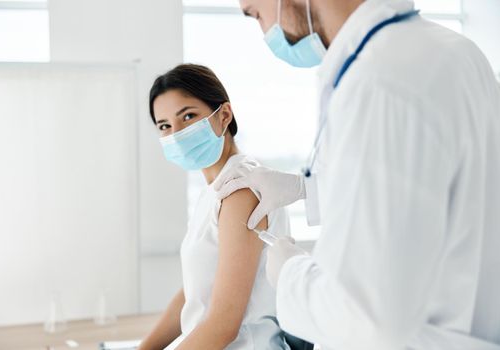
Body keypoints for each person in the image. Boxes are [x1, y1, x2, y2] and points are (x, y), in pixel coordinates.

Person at [214, 0, 500, 349]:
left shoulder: (380, 80)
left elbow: (366, 317)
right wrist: (306, 189)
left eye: (255, 13)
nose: (264, 32)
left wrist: (290, 274)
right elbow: (433, 194)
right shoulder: (453, 51)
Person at [138, 64, 291, 350]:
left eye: (188, 116)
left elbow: (223, 324)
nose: (177, 132)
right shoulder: (215, 189)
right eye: (165, 126)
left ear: (223, 115)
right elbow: (197, 291)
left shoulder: (241, 191)